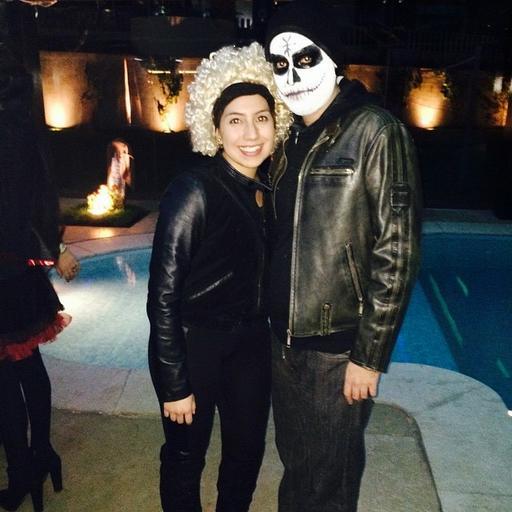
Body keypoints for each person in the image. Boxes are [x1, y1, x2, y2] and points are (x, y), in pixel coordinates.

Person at [263, 3, 422, 511]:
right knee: (297, 464)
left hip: (338, 349)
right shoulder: (287, 137)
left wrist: (368, 357)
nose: (292, 75)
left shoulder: (376, 131)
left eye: (305, 58)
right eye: (280, 64)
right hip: (284, 340)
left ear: (334, 59)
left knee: (330, 477)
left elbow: (397, 251)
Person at [147, 42, 292, 512]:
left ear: (276, 123)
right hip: (196, 346)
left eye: (261, 118)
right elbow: (162, 296)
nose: (251, 133)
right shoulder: (194, 190)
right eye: (235, 120)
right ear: (215, 129)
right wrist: (175, 384)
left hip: (251, 344)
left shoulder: (269, 189)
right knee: (186, 456)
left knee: (246, 452)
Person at [0, 47, 79, 511]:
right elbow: (42, 201)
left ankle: (21, 473)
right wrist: (57, 247)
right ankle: (43, 453)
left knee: (5, 380)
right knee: (28, 366)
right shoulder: (24, 132)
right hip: (19, 272)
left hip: (4, 272)